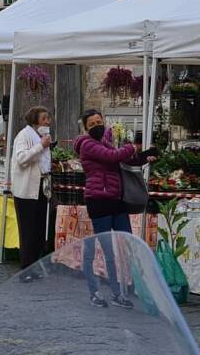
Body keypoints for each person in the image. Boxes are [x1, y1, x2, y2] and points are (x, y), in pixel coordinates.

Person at [74, 109, 157, 309]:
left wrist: (145, 156)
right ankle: (95, 292)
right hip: (99, 201)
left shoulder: (105, 143)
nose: (97, 126)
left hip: (116, 200)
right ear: (85, 128)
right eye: (92, 124)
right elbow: (112, 157)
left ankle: (119, 292)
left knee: (124, 244)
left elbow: (125, 160)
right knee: (105, 250)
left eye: (99, 122)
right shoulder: (87, 145)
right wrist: (130, 147)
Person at [11, 105, 52, 279]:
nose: (48, 121)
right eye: (44, 118)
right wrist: (40, 146)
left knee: (39, 229)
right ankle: (26, 267)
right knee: (28, 230)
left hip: (41, 187)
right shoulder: (24, 135)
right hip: (27, 190)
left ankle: (35, 265)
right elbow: (21, 159)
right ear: (35, 120)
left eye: (48, 118)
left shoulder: (41, 136)